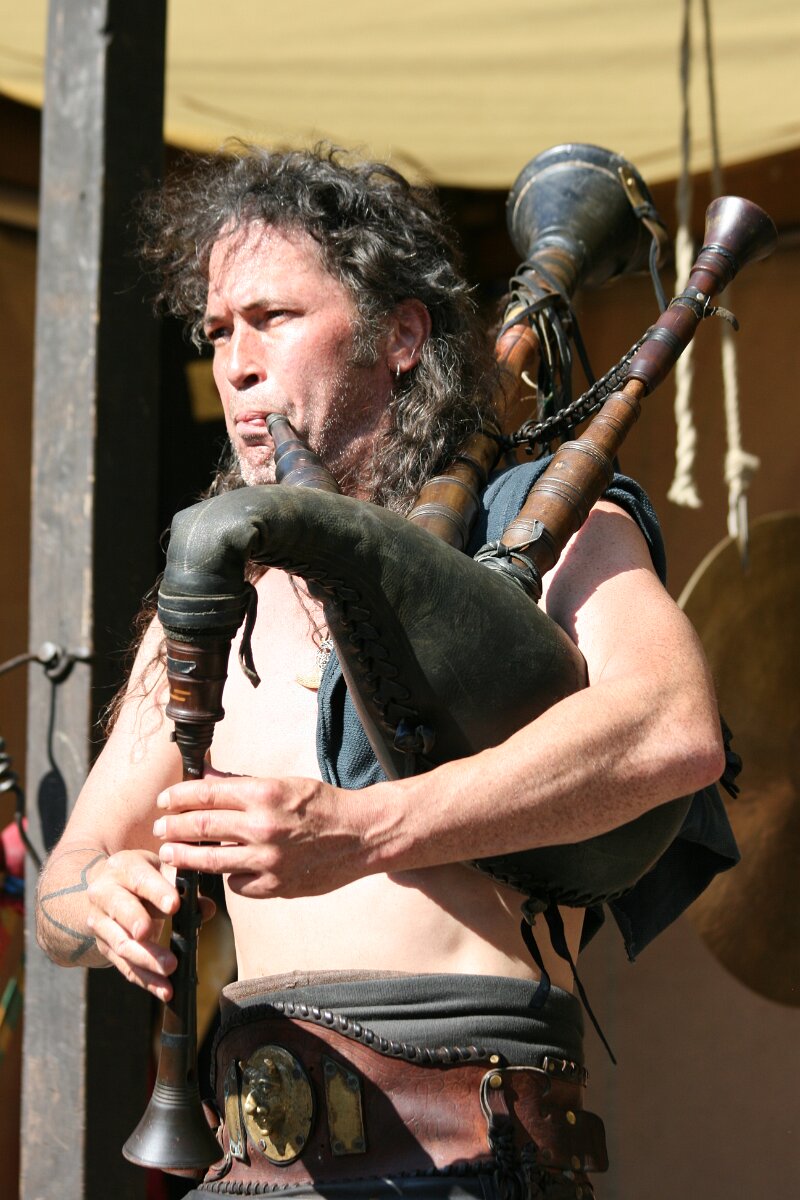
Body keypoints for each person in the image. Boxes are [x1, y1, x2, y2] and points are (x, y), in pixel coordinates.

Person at [35, 144, 736, 1199]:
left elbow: (673, 730)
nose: (236, 364)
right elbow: (64, 880)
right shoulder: (218, 599)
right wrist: (102, 898)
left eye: (273, 317)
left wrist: (363, 831)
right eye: (218, 331)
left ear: (400, 336)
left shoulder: (531, 523)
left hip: (470, 1157)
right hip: (254, 1166)